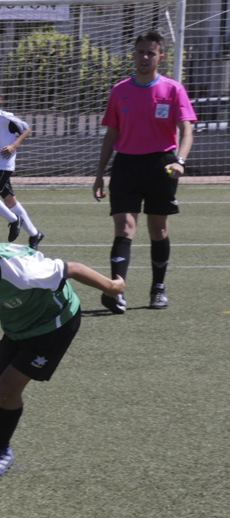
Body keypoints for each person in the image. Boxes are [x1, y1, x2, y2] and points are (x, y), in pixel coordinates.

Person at [0, 214, 125, 477]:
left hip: (55, 325)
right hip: (17, 329)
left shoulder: (23, 271)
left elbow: (71, 269)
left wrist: (111, 287)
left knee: (7, 388)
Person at [93, 30, 196, 313]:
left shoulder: (173, 89)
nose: (145, 57)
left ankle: (158, 288)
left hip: (161, 165)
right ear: (134, 54)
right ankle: (116, 290)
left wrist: (180, 160)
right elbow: (111, 134)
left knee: (157, 229)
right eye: (141, 52)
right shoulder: (119, 90)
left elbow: (187, 129)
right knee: (124, 227)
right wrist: (100, 173)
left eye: (151, 53)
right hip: (126, 165)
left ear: (160, 57)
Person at [0, 82, 44, 249]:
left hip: (5, 164)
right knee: (10, 200)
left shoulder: (5, 117)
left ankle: (13, 219)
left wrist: (13, 146)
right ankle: (34, 234)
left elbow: (26, 129)